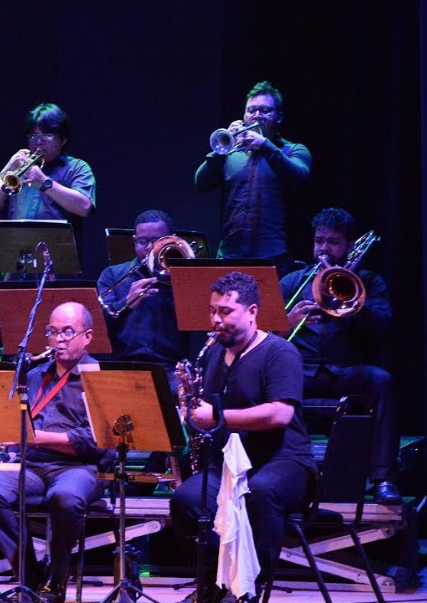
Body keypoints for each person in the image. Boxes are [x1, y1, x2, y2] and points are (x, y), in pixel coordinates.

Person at [169, 272, 316, 603]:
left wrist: (216, 415)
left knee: (259, 492)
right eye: (212, 311)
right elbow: (203, 413)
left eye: (226, 312)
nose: (216, 320)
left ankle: (246, 591)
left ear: (252, 312)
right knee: (186, 501)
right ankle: (211, 585)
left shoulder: (280, 353)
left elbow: (280, 413)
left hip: (284, 462)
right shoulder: (213, 355)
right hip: (230, 463)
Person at [0, 302, 112, 603]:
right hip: (34, 466)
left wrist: (33, 438)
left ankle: (59, 575)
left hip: (81, 468)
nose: (59, 339)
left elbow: (95, 442)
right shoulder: (36, 376)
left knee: (64, 498)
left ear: (88, 337)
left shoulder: (100, 378)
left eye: (67, 332)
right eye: (53, 332)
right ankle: (29, 576)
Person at [280, 207, 399, 504]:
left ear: (349, 246)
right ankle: (268, 470)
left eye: (333, 242)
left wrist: (353, 304)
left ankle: (383, 478)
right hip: (302, 371)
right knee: (262, 380)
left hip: (347, 370)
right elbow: (263, 334)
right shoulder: (293, 282)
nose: (324, 248)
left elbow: (384, 325)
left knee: (382, 381)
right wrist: (288, 322)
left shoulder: (369, 282)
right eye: (319, 240)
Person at [195, 81, 312, 277]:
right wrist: (221, 150)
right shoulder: (231, 152)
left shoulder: (293, 150)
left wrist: (265, 145)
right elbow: (201, 183)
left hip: (274, 257)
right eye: (251, 110)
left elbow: (299, 176)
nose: (257, 115)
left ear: (279, 116)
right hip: (230, 255)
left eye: (265, 110)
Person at [0, 103, 96, 265]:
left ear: (63, 139)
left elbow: (84, 207)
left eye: (47, 135)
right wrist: (8, 167)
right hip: (17, 265)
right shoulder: (19, 169)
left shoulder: (77, 168)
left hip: (58, 268)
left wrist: (44, 182)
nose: (38, 142)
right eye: (33, 135)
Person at [97, 209, 192, 389]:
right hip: (124, 366)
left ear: (171, 239)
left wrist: (182, 277)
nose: (149, 247)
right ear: (134, 241)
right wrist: (126, 303)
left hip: (172, 369)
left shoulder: (182, 277)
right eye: (142, 242)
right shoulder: (113, 275)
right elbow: (98, 326)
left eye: (156, 241)